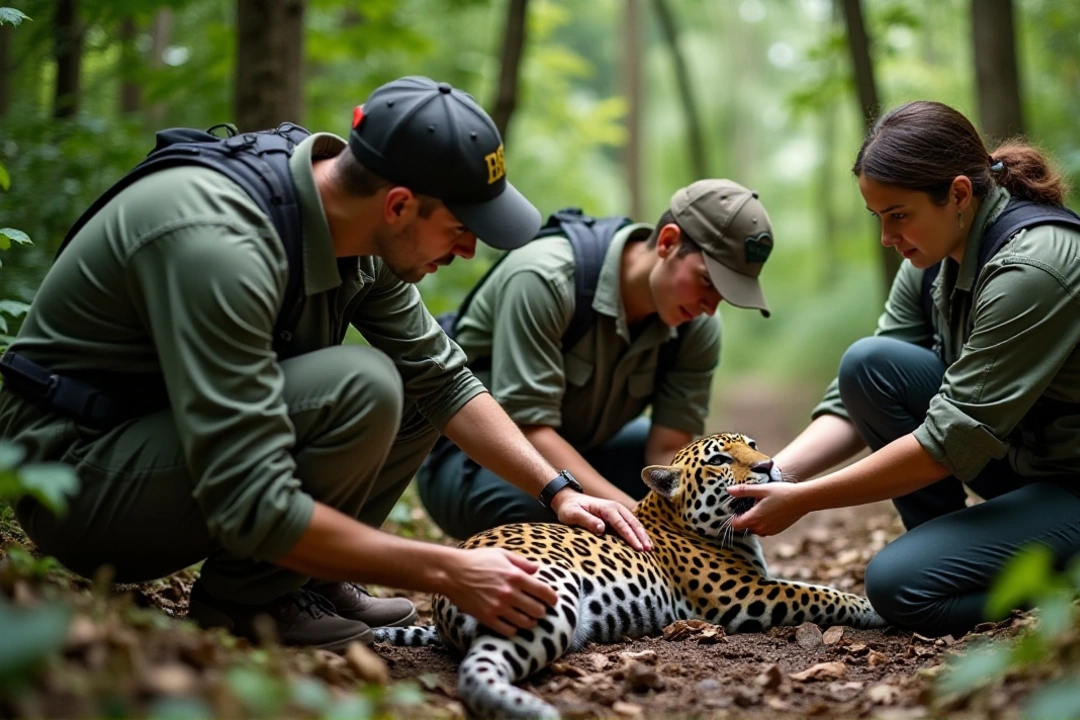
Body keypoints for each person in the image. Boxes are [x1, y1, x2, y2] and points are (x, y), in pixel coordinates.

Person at [0, 76, 649, 651]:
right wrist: (444, 570)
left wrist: (558, 491)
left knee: (412, 383)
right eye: (460, 228)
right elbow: (250, 504)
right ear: (399, 204)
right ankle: (247, 602)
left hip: (154, 443)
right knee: (361, 384)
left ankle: (303, 581)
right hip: (71, 479)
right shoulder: (219, 245)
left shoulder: (356, 230)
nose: (470, 250)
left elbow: (445, 380)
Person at [727, 100, 1080, 638]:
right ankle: (955, 548)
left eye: (898, 215)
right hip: (1030, 462)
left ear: (959, 195)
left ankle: (1073, 581)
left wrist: (806, 501)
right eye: (878, 218)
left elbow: (946, 442)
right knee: (869, 364)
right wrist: (776, 478)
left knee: (900, 587)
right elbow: (856, 394)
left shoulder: (1034, 269)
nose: (887, 237)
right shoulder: (932, 258)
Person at [417, 179, 775, 539]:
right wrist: (641, 522)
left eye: (725, 296)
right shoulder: (545, 279)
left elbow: (670, 449)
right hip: (480, 460)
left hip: (586, 451)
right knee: (537, 509)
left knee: (701, 474)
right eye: (708, 282)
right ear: (667, 242)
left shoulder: (697, 323)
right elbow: (531, 430)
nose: (710, 307)